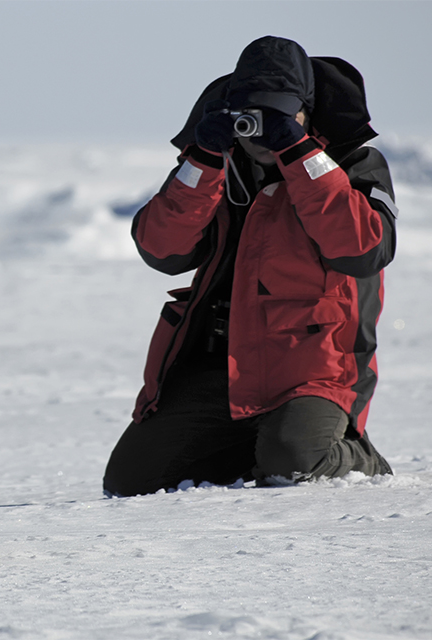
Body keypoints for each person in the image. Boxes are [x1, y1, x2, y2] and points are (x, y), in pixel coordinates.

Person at [103, 36, 398, 496]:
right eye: (251, 115)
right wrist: (202, 160)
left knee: (294, 465)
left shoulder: (354, 162)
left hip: (311, 367)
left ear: (307, 112)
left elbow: (361, 249)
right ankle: (265, 446)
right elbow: (161, 250)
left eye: (280, 114)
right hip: (220, 360)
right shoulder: (216, 162)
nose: (260, 131)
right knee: (131, 482)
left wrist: (299, 154)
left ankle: (357, 457)